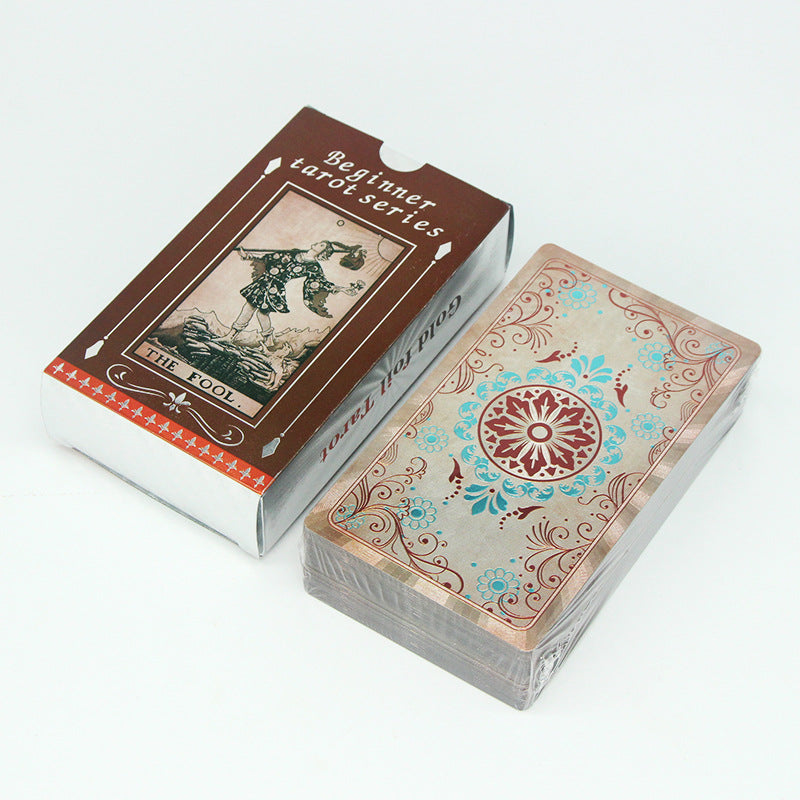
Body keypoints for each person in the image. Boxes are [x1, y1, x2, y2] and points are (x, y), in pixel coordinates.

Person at [219, 240, 366, 346]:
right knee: (253, 310)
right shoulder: (294, 252)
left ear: (324, 252)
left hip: (275, 288)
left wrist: (343, 289)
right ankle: (261, 339)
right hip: (263, 282)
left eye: (322, 245)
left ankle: (242, 337)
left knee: (259, 312)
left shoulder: (313, 267)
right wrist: (248, 256)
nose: (318, 244)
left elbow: (320, 282)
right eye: (320, 243)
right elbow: (268, 257)